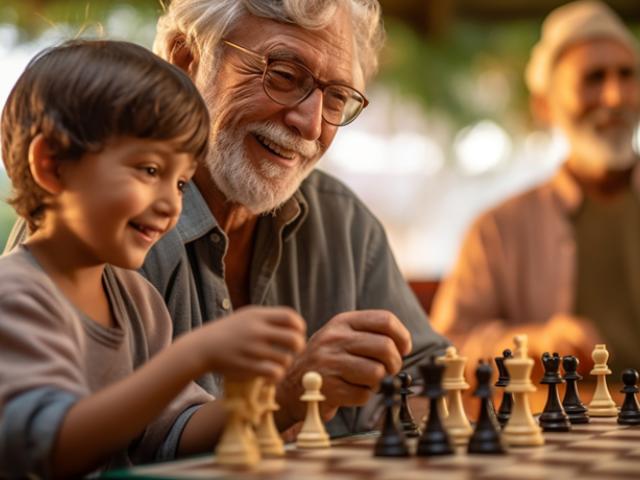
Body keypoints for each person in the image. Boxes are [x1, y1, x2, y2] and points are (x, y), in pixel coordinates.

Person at [0, 40, 306, 479]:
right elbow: (53, 449)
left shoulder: (138, 301)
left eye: (181, 183)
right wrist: (193, 354)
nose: (171, 204)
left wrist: (284, 402)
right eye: (149, 170)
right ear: (52, 165)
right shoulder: (15, 297)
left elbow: (173, 433)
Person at [145, 0, 448, 434]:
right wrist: (287, 397)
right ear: (186, 59)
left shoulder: (342, 222)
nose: (309, 124)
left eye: (337, 97)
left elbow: (427, 381)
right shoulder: (101, 223)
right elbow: (64, 444)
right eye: (284, 76)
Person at [431, 0, 640, 373]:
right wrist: (535, 344)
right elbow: (446, 348)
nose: (615, 97)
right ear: (544, 105)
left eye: (627, 75)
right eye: (593, 79)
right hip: (557, 427)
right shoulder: (498, 230)